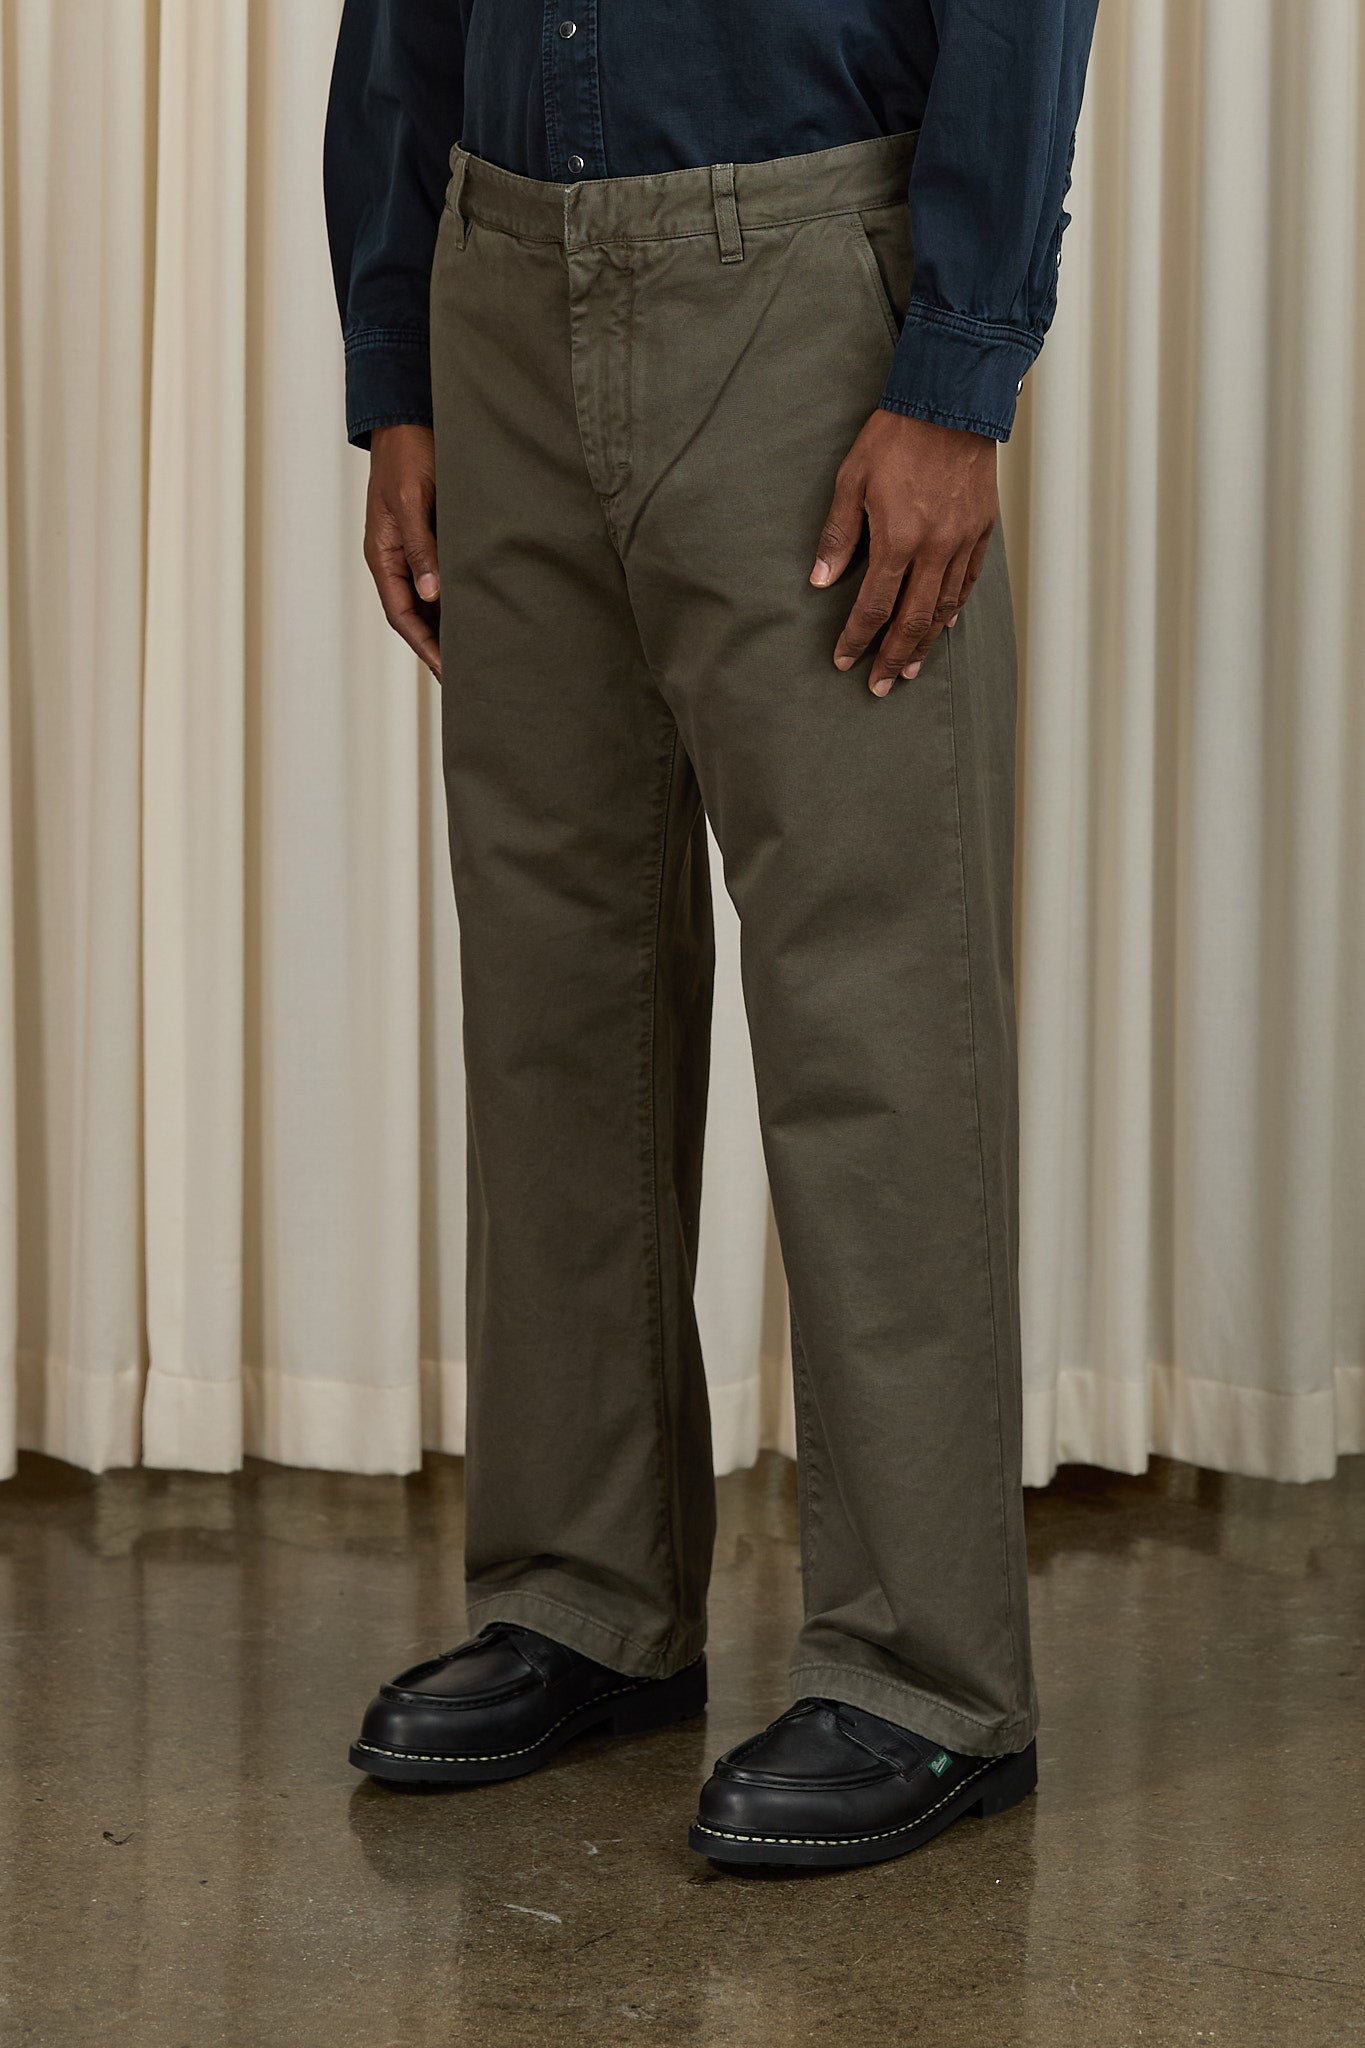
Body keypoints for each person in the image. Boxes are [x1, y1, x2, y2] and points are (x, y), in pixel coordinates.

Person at [324, 0, 1096, 1872]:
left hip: (807, 292)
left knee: (871, 1004)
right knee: (553, 988)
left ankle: (926, 1676)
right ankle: (584, 1597)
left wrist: (957, 369)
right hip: (498, 280)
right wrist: (396, 355)